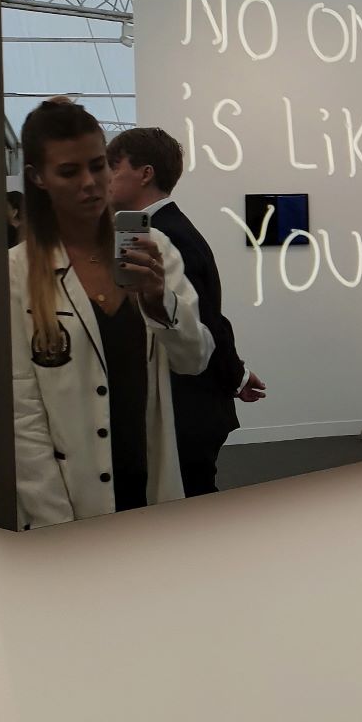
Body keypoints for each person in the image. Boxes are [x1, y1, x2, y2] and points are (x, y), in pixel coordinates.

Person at [10, 99, 213, 527]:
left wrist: (160, 302)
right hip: (69, 497)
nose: (90, 183)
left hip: (150, 482)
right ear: (38, 178)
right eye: (69, 171)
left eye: (98, 165)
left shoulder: (154, 248)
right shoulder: (16, 273)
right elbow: (22, 415)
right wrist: (55, 522)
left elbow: (194, 359)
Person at [107, 126, 265, 497]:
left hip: (185, 407)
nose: (106, 179)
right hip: (183, 402)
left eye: (114, 167)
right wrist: (237, 374)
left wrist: (235, 376)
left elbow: (204, 322)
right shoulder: (162, 230)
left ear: (145, 173)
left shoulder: (166, 237)